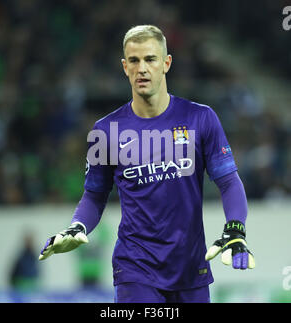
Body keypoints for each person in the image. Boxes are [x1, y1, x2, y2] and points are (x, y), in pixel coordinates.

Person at [39, 25, 255, 303]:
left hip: (191, 267)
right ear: (124, 67)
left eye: (150, 59)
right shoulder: (105, 131)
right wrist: (78, 225)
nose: (142, 68)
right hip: (135, 268)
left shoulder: (201, 118)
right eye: (134, 60)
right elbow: (94, 195)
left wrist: (236, 227)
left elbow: (228, 181)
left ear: (166, 63)